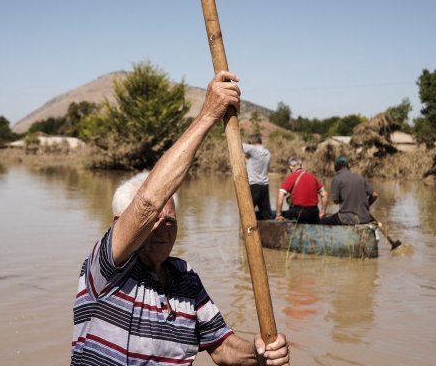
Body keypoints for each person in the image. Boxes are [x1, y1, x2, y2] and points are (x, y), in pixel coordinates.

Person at [71, 71, 290, 366]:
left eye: (170, 221)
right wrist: (208, 115)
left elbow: (222, 348)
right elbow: (148, 202)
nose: (163, 229)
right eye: (152, 222)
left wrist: (260, 353)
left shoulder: (184, 277)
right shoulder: (108, 266)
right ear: (119, 223)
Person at [320, 155, 378, 225]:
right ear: (348, 166)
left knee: (321, 221)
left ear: (335, 167)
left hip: (346, 219)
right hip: (364, 219)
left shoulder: (337, 179)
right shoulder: (360, 177)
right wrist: (366, 206)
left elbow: (335, 201)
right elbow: (375, 195)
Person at [275, 156, 327, 224]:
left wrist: (278, 215)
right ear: (300, 165)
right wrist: (323, 211)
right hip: (314, 213)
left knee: (278, 215)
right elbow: (324, 194)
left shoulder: (291, 177)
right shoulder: (312, 176)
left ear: (291, 167)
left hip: (299, 213)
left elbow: (280, 196)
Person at [242, 133, 273, 220]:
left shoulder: (253, 149)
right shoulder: (267, 153)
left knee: (247, 213)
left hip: (254, 185)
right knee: (266, 213)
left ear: (251, 142)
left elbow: (237, 145)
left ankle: (246, 232)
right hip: (264, 185)